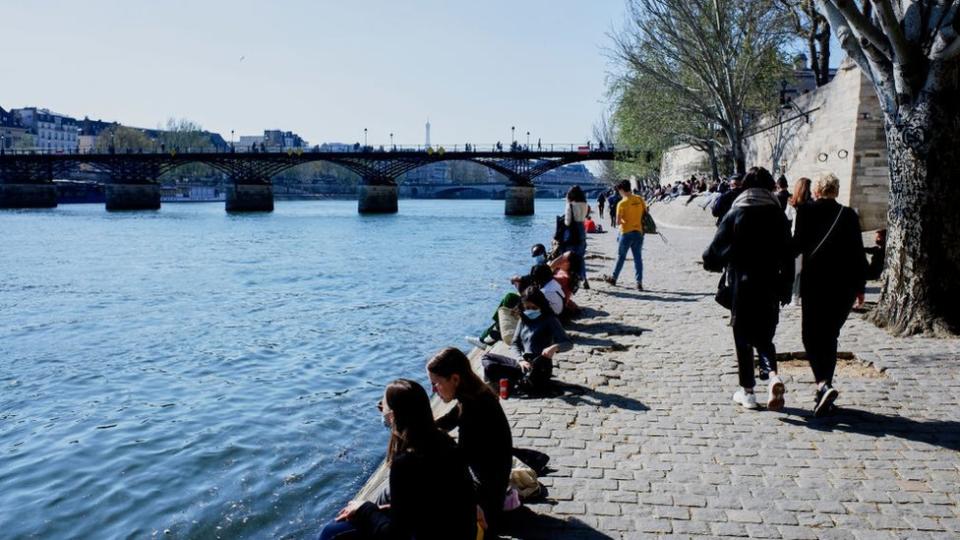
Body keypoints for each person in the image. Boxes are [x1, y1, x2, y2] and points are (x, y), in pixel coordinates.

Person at [318, 379, 476, 540]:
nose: (381, 410)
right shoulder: (444, 440)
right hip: (463, 530)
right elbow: (436, 500)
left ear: (393, 415)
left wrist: (364, 508)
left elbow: (396, 534)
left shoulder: (406, 462)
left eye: (383, 406)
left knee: (331, 532)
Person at [703, 167, 794, 411]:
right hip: (770, 283)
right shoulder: (778, 215)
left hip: (741, 285)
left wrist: (717, 261)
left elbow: (713, 253)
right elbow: (789, 254)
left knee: (742, 337)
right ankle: (772, 375)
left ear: (744, 186)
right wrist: (786, 287)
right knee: (764, 336)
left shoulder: (736, 213)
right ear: (770, 187)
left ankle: (748, 392)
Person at [793, 173, 866, 417]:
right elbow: (858, 254)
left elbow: (797, 247)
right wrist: (860, 288)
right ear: (836, 190)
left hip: (816, 285)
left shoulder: (805, 212)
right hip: (843, 287)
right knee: (830, 337)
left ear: (818, 190)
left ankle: (823, 384)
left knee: (810, 336)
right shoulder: (848, 215)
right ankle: (825, 389)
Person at [427, 348, 513, 535]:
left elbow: (458, 458)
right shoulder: (475, 395)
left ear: (455, 379)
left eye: (436, 384)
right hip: (494, 485)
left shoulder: (474, 408)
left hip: (487, 496)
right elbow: (447, 421)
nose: (433, 390)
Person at [481, 287, 572, 393]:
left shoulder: (550, 320)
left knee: (491, 367)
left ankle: (504, 383)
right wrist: (520, 360)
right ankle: (505, 381)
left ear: (541, 305)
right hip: (523, 363)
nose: (530, 310)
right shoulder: (524, 319)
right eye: (527, 307)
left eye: (534, 307)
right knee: (486, 357)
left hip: (538, 368)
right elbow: (515, 343)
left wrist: (554, 347)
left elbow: (568, 343)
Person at [602, 179, 647, 291]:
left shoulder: (622, 203)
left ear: (622, 189)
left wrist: (625, 221)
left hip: (626, 233)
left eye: (619, 190)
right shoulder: (639, 199)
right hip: (639, 232)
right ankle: (639, 282)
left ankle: (614, 278)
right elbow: (645, 213)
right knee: (638, 258)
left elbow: (617, 222)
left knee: (621, 257)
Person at [785, 177, 813, 305]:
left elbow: (788, 218)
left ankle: (794, 296)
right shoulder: (812, 204)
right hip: (808, 238)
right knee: (802, 269)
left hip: (795, 237)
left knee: (796, 269)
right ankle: (798, 295)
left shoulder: (792, 203)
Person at [564, 185, 590, 288]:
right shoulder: (585, 204)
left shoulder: (570, 205)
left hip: (571, 233)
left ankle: (571, 279)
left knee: (569, 257)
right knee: (580, 257)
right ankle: (584, 278)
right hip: (582, 231)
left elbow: (567, 222)